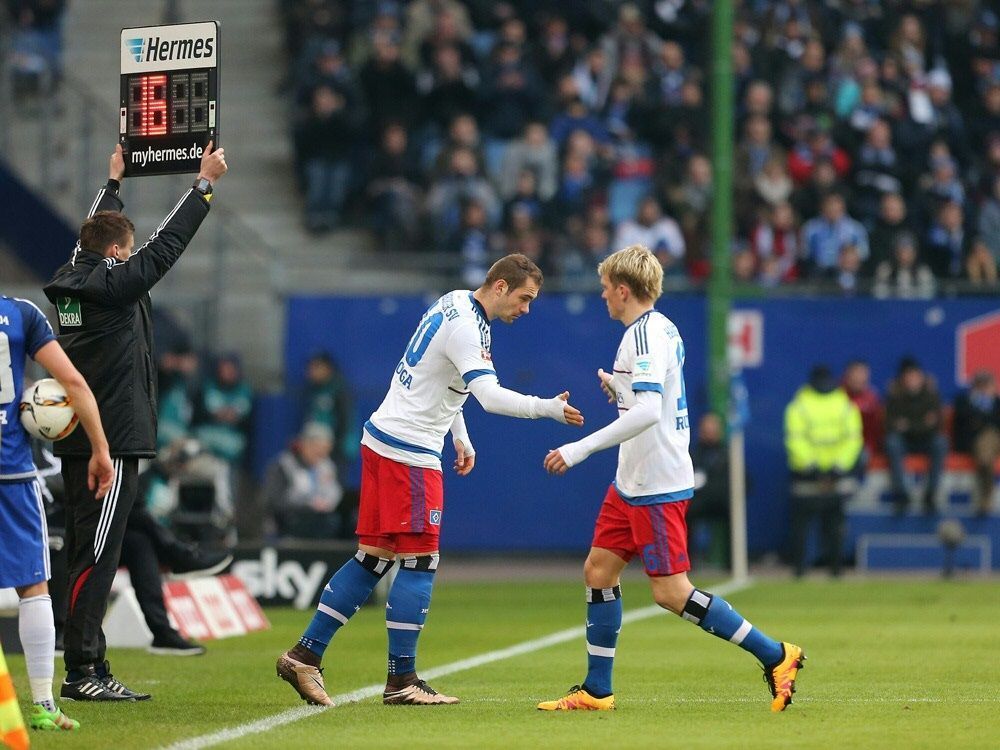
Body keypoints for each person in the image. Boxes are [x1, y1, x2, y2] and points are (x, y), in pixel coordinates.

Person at [276, 254, 584, 707]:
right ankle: (402, 681)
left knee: (372, 558)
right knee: (420, 562)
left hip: (383, 437)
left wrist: (459, 435)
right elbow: (490, 396)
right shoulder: (469, 328)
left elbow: (440, 377)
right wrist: (547, 408)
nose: (526, 308)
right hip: (410, 453)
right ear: (499, 286)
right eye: (524, 298)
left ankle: (305, 654)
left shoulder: (455, 301)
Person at [536, 245, 804, 713]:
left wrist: (578, 448)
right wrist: (620, 389)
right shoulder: (659, 329)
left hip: (655, 483)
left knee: (671, 592)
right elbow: (646, 401)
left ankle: (776, 654)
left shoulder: (644, 337)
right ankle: (598, 690)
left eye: (605, 289)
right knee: (599, 570)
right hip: (632, 479)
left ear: (624, 290)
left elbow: (647, 412)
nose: (602, 296)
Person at [40, 141, 228, 701]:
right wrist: (203, 187)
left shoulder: (73, 278)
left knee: (84, 549)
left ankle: (85, 665)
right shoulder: (114, 283)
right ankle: (84, 671)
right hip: (113, 440)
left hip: (77, 435)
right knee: (98, 555)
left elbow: (91, 241)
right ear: (119, 254)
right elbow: (163, 249)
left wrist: (113, 184)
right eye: (127, 251)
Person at [0, 295, 114, 730]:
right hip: (10, 471)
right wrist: (100, 449)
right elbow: (73, 383)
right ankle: (44, 704)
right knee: (33, 586)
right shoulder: (21, 313)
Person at [784, 365, 863, 577]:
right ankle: (802, 570)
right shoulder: (842, 405)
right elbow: (795, 438)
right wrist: (836, 467)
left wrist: (819, 467)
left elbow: (853, 439)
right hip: (813, 477)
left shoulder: (800, 405)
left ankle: (832, 570)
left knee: (832, 527)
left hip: (820, 476)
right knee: (812, 527)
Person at [884, 357, 947, 515]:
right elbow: (891, 425)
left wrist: (909, 425)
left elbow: (936, 423)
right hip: (905, 442)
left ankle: (930, 494)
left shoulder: (931, 396)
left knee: (940, 442)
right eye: (908, 376)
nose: (912, 380)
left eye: (915, 376)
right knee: (892, 442)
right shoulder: (895, 396)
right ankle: (901, 494)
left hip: (926, 440)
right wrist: (922, 424)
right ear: (903, 379)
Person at [263, 422, 344, 539]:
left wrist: (325, 503)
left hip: (319, 517)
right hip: (289, 518)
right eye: (317, 449)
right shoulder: (283, 465)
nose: (321, 455)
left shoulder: (326, 466)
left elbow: (334, 491)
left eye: (325, 450)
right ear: (305, 445)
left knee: (333, 521)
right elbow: (275, 500)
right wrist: (308, 505)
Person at [952, 371, 1000, 515]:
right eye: (982, 386)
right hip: (971, 443)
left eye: (988, 386)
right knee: (985, 438)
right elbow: (963, 425)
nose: (986, 390)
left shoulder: (997, 403)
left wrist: (982, 422)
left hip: (995, 442)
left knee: (989, 436)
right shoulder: (963, 402)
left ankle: (985, 498)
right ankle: (986, 499)